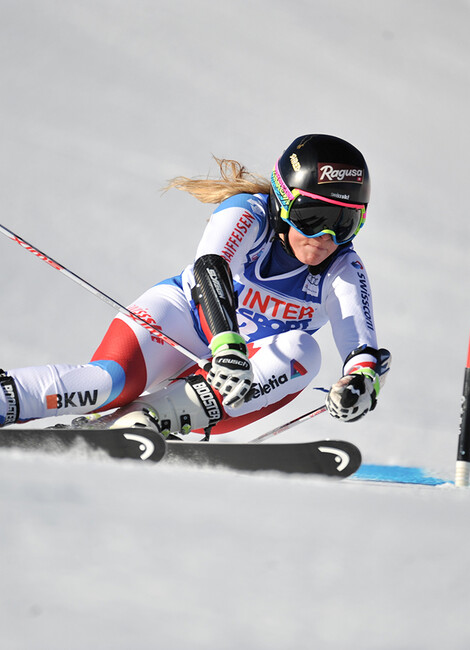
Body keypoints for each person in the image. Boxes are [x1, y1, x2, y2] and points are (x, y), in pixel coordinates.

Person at [0, 134, 391, 436]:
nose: (324, 236)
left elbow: (358, 341)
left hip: (239, 371)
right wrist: (225, 344)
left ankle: (143, 422)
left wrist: (360, 381)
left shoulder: (342, 266)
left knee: (304, 352)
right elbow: (211, 268)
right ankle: (7, 397)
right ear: (283, 202)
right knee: (107, 382)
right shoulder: (248, 214)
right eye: (312, 216)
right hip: (182, 319)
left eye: (344, 223)